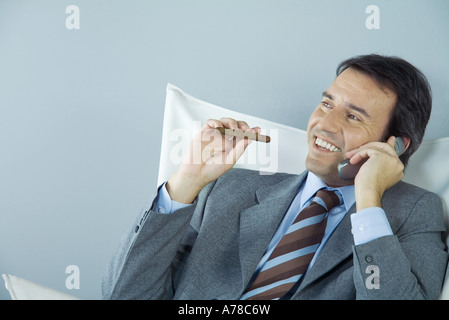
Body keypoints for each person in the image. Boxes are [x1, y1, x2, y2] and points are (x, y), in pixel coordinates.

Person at [102, 54, 448, 300]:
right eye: (327, 104)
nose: (324, 124)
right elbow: (122, 293)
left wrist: (369, 200)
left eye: (354, 118)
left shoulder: (414, 212)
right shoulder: (230, 188)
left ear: (395, 145)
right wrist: (186, 182)